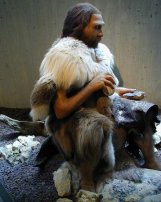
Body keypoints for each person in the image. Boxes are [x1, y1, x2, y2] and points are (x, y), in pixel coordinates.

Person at [30, 3, 160, 191]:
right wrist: (92, 87)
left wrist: (125, 92)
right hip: (74, 116)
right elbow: (60, 110)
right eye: (97, 27)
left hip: (102, 104)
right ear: (79, 27)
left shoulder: (99, 52)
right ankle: (87, 180)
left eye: (102, 27)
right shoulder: (63, 58)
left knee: (143, 110)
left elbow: (106, 88)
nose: (101, 33)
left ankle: (150, 161)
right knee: (95, 126)